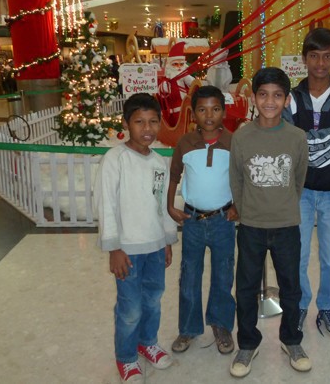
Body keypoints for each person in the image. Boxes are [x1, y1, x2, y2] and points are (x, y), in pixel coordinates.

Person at [229, 67, 310, 378]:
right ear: (254, 98)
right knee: (246, 288)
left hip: (286, 225)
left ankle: (291, 340)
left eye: (277, 95)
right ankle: (248, 343)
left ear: (287, 100)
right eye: (263, 94)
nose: (270, 101)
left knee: (291, 287)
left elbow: (298, 179)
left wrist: (283, 206)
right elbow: (237, 179)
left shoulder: (297, 138)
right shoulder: (242, 137)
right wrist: (246, 210)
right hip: (251, 226)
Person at [282, 27, 330, 338]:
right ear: (304, 58)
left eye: (327, 56)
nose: (320, 63)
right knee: (297, 256)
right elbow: (289, 143)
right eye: (314, 56)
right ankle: (300, 305)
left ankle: (327, 307)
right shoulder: (291, 97)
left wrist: (307, 146)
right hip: (300, 191)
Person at [93, 93, 177, 383]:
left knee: (153, 299)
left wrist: (167, 240)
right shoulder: (115, 160)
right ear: (126, 123)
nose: (147, 128)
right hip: (127, 249)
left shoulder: (159, 162)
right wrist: (114, 248)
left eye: (153, 121)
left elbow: (162, 204)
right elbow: (105, 204)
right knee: (130, 308)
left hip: (155, 247)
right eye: (139, 122)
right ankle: (127, 357)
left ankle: (147, 342)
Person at [167, 85, 238, 356]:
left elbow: (242, 177)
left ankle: (221, 325)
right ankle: (188, 327)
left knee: (223, 275)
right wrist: (170, 206)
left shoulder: (233, 142)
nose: (209, 115)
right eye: (202, 110)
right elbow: (174, 176)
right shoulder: (185, 143)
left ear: (224, 112)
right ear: (193, 113)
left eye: (215, 109)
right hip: (192, 220)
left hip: (223, 220)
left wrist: (238, 206)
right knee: (189, 275)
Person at [158, 42, 194, 126]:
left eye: (181, 64)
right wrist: (166, 86)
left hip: (189, 111)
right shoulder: (167, 79)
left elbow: (195, 85)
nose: (179, 67)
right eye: (175, 64)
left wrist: (187, 78)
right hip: (176, 114)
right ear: (170, 65)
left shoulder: (185, 78)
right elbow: (161, 92)